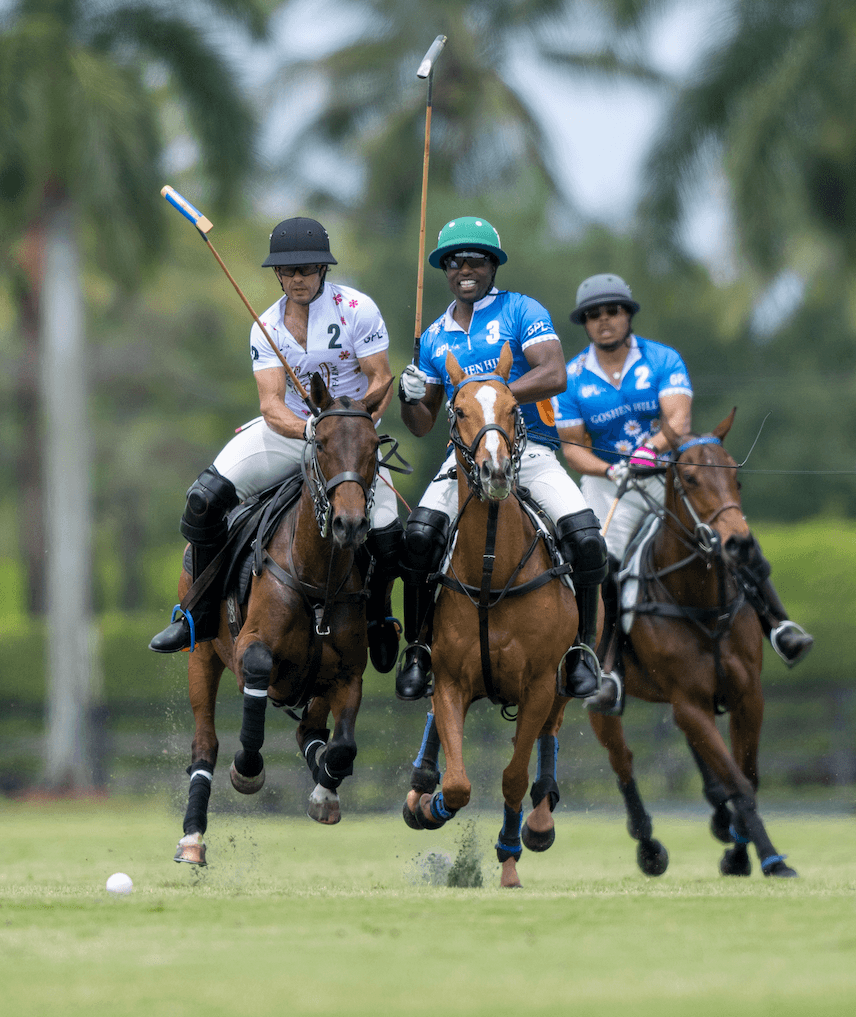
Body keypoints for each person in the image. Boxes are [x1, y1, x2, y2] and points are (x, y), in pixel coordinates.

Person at [149, 217, 403, 672]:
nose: (297, 279)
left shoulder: (357, 308)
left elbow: (381, 378)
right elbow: (270, 404)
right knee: (203, 502)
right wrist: (310, 432)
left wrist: (347, 430)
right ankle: (198, 616)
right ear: (278, 275)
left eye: (306, 269)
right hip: (291, 432)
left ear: (322, 270)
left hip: (348, 441)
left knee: (388, 535)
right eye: (287, 272)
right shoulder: (265, 326)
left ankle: (381, 619)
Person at [554, 273, 814, 711]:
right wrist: (610, 468)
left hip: (666, 474)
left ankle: (778, 626)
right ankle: (610, 668)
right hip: (608, 486)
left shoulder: (662, 359)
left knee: (728, 530)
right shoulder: (574, 376)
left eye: (612, 311)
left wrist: (647, 453)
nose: (604, 321)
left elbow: (677, 422)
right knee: (603, 562)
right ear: (585, 323)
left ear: (627, 315)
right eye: (594, 315)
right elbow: (573, 447)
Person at [393, 216, 608, 702]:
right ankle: (419, 649)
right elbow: (423, 423)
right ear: (445, 270)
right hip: (465, 460)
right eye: (454, 261)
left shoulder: (520, 310)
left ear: (492, 266)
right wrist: (410, 398)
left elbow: (553, 373)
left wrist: (490, 397)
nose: (464, 268)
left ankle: (580, 651)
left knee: (586, 537)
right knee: (418, 538)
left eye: (475, 260)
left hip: (527, 450)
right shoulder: (434, 336)